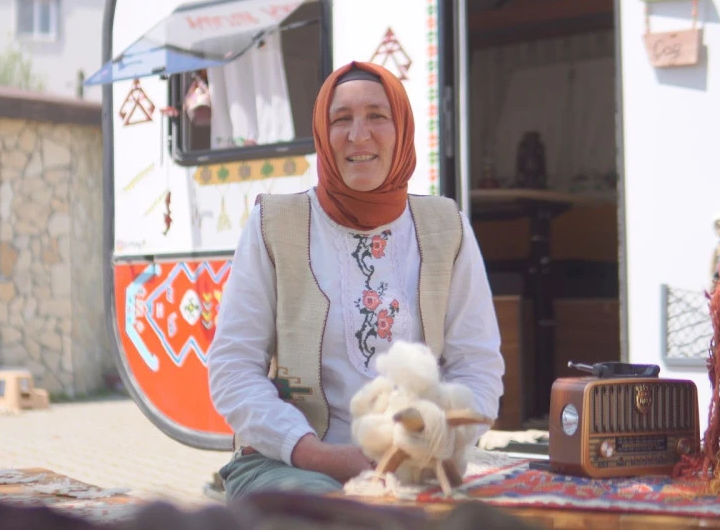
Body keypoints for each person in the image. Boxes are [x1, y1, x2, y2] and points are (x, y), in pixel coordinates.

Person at [208, 60, 504, 502]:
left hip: (418, 466)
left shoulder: (446, 228)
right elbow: (232, 369)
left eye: (377, 117)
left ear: (401, 128)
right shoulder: (275, 224)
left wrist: (436, 439)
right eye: (341, 119)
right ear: (322, 136)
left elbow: (478, 368)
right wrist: (317, 455)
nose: (358, 135)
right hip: (287, 464)